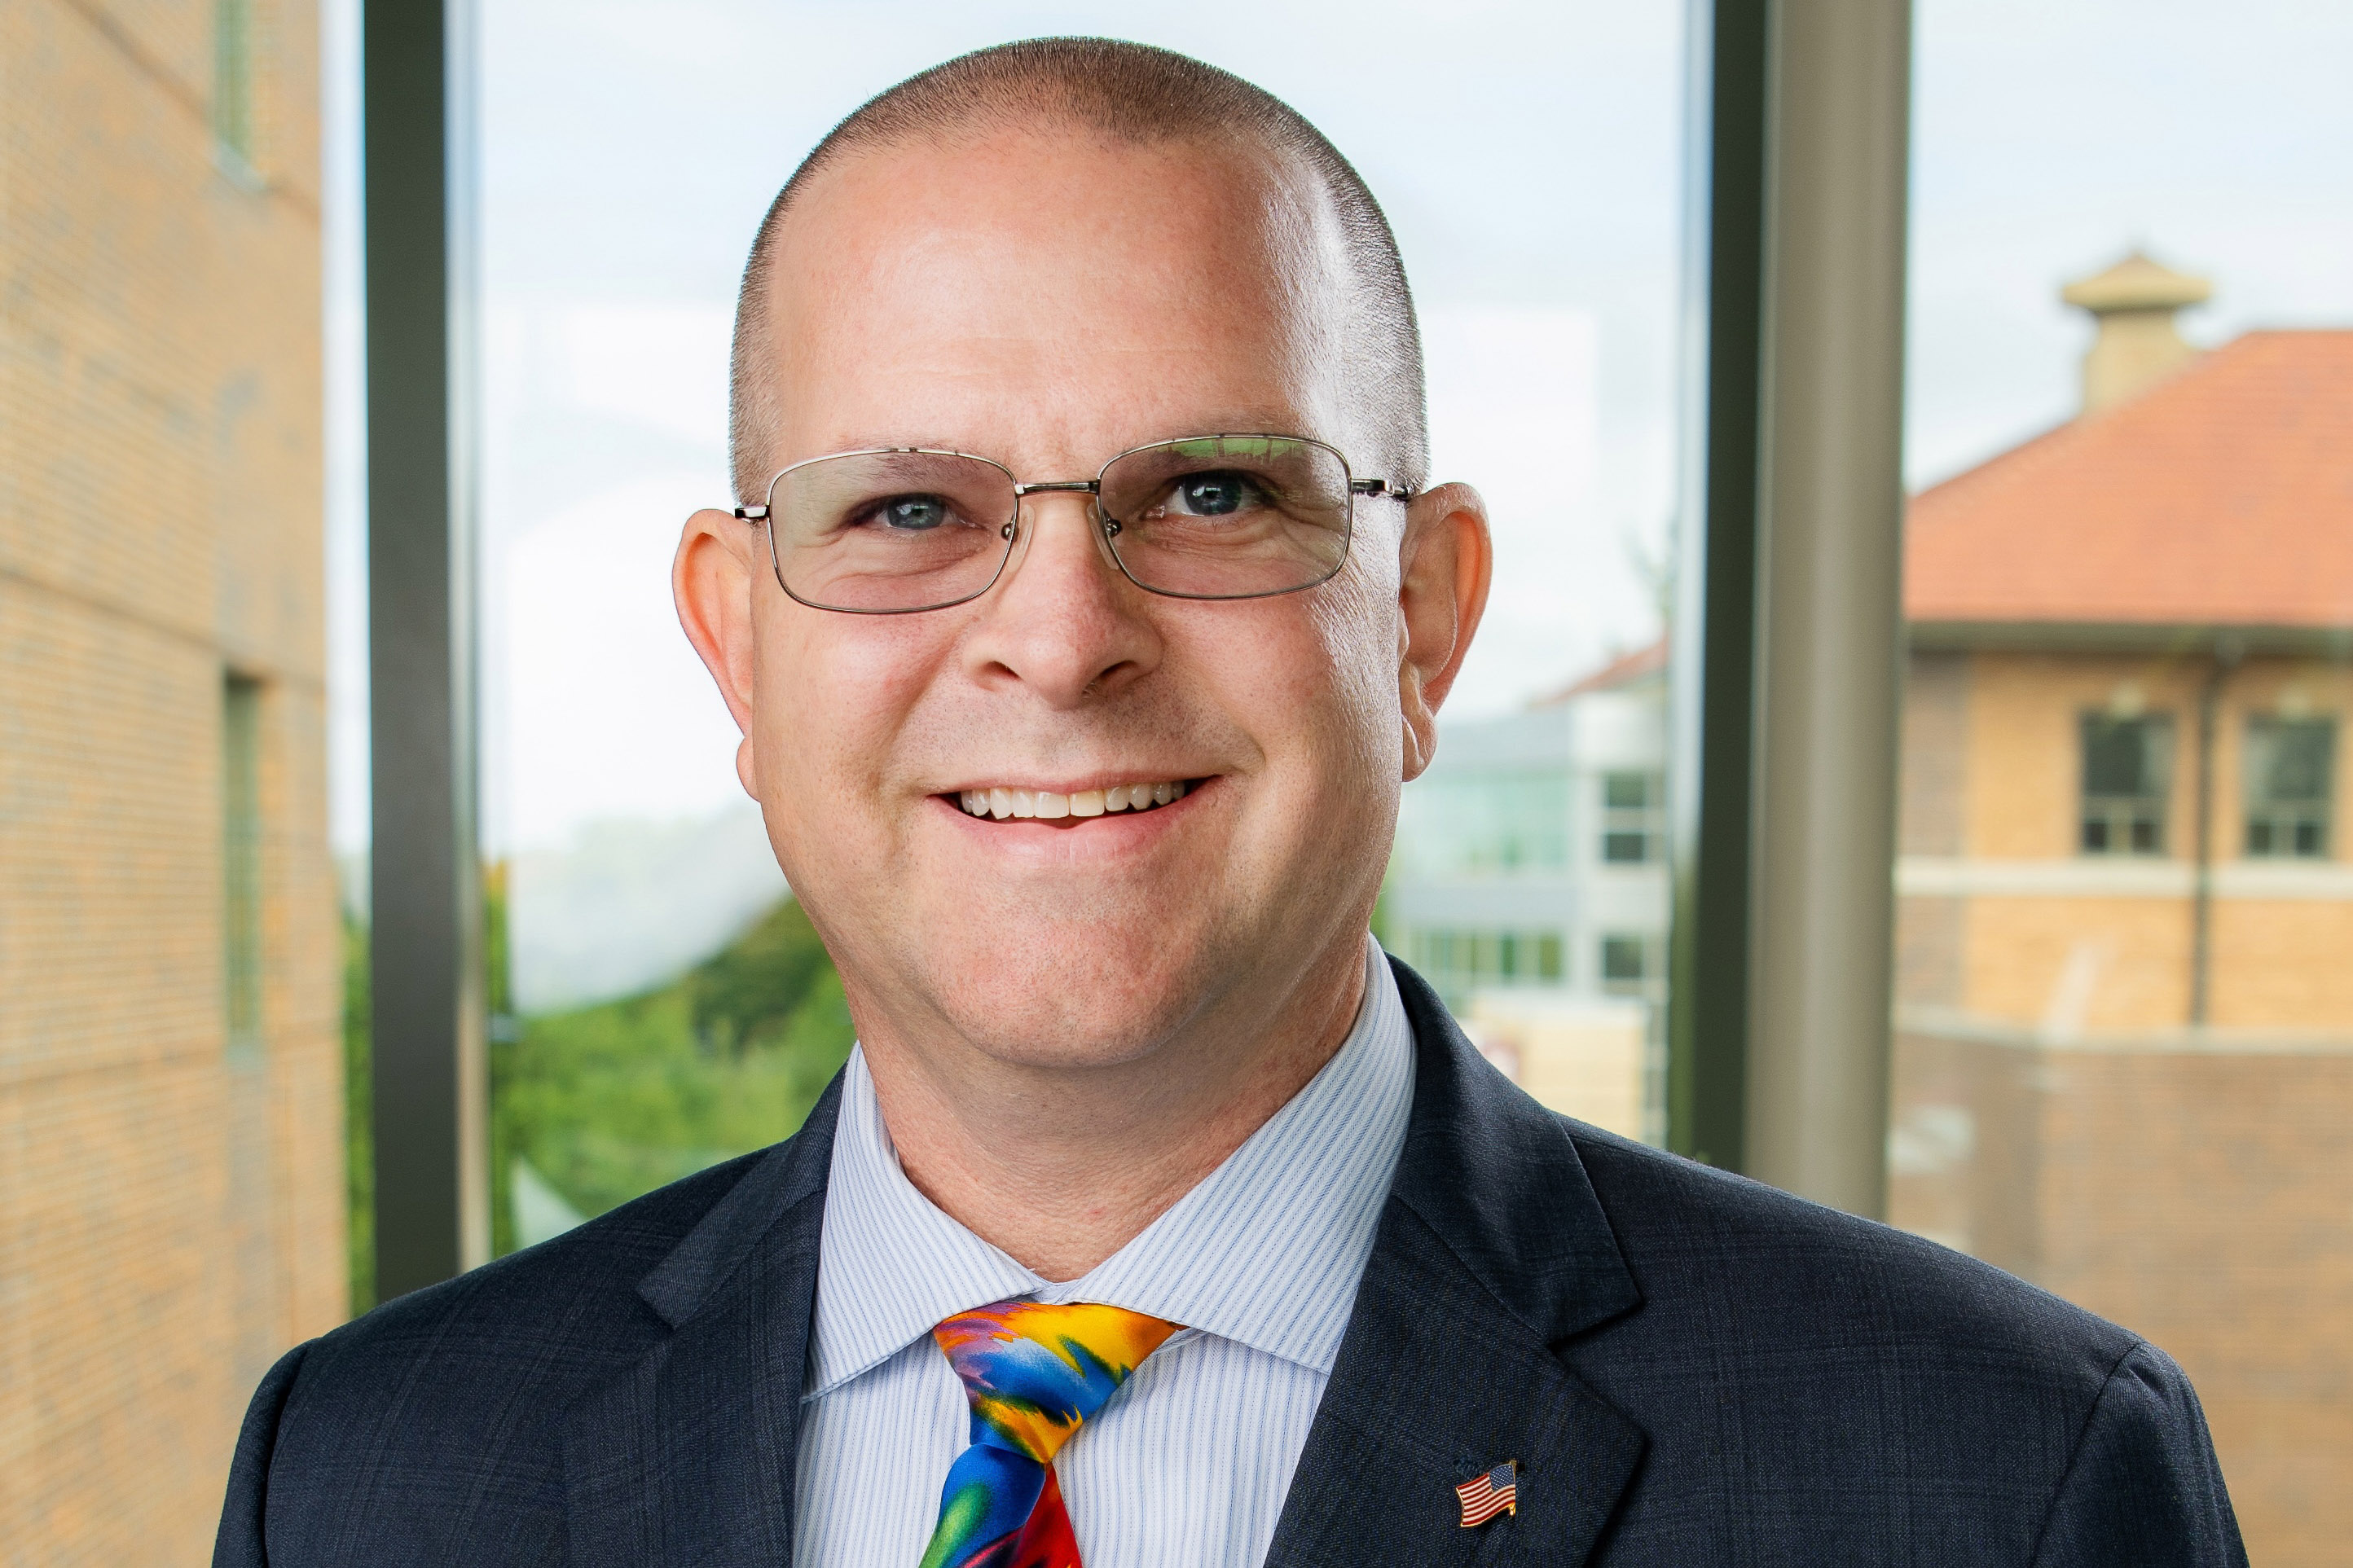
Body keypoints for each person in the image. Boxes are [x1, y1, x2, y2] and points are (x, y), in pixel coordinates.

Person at [215, 38, 2245, 1568]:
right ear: (736, 647)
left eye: (1208, 494)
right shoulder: (369, 1477)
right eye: (910, 508)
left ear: (1425, 619)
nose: (1060, 637)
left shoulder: (1998, 1481)